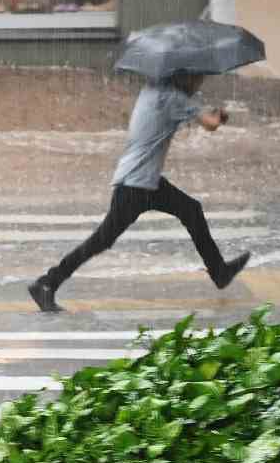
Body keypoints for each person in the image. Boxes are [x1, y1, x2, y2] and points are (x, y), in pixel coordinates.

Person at [28, 72, 250, 313]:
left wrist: (206, 113)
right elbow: (210, 124)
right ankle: (47, 283)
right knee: (101, 240)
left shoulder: (152, 91)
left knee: (190, 209)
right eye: (198, 78)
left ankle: (220, 272)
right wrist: (220, 117)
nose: (199, 84)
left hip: (146, 181)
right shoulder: (173, 98)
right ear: (185, 76)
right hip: (136, 185)